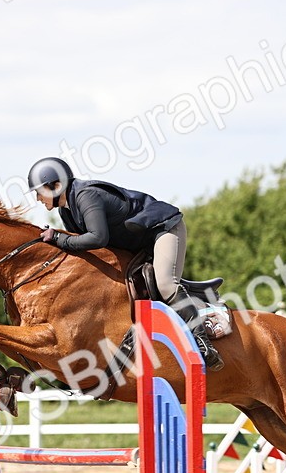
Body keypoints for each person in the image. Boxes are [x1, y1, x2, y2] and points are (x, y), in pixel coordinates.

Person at [26, 156, 224, 371]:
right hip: (136, 243)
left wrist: (57, 238)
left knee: (165, 283)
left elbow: (96, 238)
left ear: (57, 186)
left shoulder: (86, 195)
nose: (38, 198)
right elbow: (82, 246)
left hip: (163, 230)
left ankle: (202, 342)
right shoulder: (66, 209)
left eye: (40, 191)